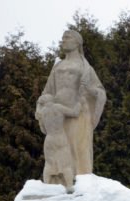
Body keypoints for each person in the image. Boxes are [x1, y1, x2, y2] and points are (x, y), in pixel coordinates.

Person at [37, 29, 106, 183]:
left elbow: (100, 92)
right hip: (59, 116)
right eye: (62, 38)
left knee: (78, 148)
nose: (63, 41)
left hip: (78, 114)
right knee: (60, 150)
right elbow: (47, 91)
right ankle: (60, 182)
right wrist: (42, 108)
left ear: (77, 42)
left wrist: (89, 89)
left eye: (67, 38)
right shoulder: (57, 66)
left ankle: (81, 182)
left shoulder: (85, 68)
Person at [35, 94, 81, 191]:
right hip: (60, 137)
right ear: (52, 99)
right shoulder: (58, 107)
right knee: (66, 164)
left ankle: (47, 186)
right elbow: (75, 113)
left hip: (49, 139)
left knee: (49, 164)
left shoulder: (42, 112)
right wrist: (79, 103)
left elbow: (43, 130)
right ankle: (69, 186)